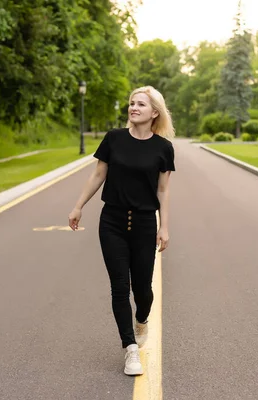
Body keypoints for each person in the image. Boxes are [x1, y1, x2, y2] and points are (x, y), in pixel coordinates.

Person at [68, 86, 175, 376]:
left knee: (143, 291)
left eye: (141, 104)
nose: (133, 108)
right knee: (119, 287)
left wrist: (164, 226)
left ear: (154, 112)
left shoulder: (163, 148)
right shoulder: (114, 139)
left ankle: (142, 319)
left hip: (143, 223)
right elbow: (98, 174)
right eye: (131, 103)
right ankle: (130, 349)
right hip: (112, 221)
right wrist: (78, 206)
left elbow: (162, 191)